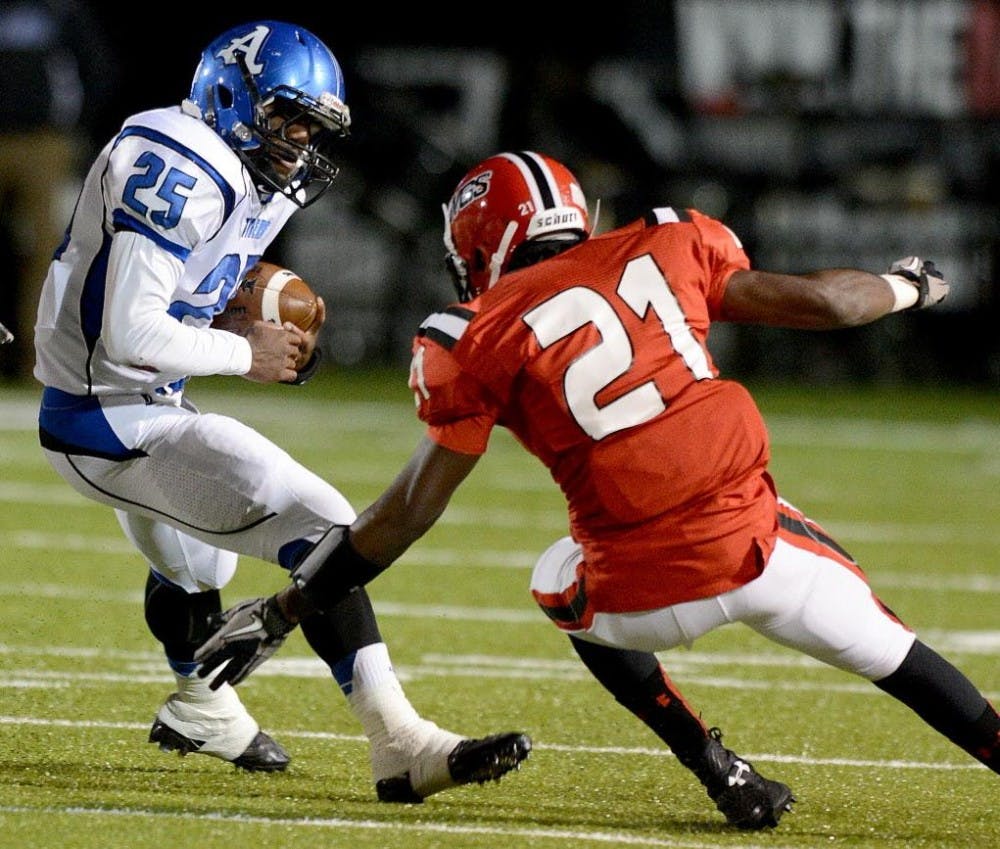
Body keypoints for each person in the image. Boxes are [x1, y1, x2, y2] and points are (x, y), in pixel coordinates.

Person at [194, 150, 999, 830]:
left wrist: (284, 609)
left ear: (483, 241)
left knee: (557, 575)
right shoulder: (669, 243)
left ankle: (716, 765)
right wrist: (910, 286)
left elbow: (405, 514)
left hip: (639, 593)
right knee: (899, 656)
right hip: (761, 557)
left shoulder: (469, 334)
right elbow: (828, 302)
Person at [32, 23, 530, 802]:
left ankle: (202, 706)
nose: (299, 142)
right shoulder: (181, 160)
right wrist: (247, 354)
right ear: (230, 95)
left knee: (199, 565)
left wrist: (244, 312)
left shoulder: (238, 168)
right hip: (104, 414)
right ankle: (399, 740)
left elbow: (167, 300)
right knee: (324, 524)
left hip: (135, 395)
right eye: (287, 117)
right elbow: (130, 328)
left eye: (313, 126)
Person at [0, 0, 118, 380]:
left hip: (46, 143)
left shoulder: (64, 11)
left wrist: (74, 129)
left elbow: (99, 71)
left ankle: (37, 365)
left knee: (49, 255)